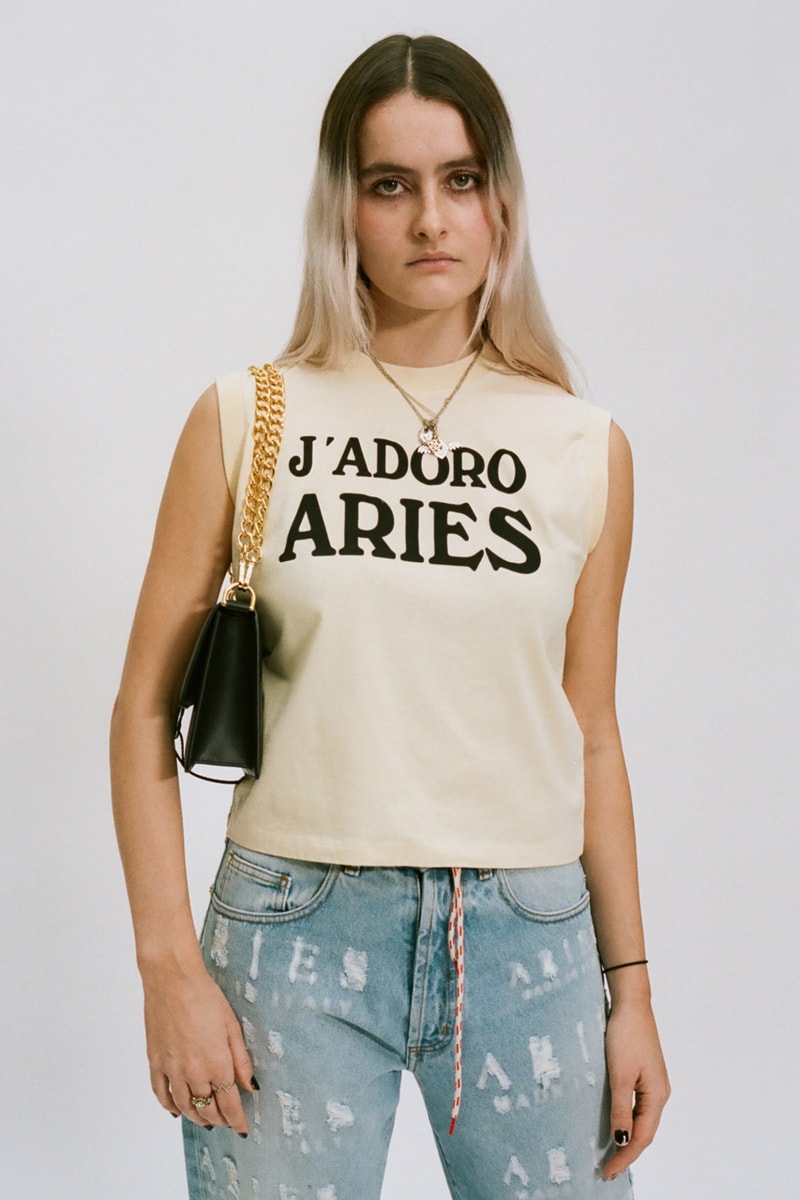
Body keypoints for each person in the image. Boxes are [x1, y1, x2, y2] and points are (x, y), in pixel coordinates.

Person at [111, 33, 669, 1200]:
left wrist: (631, 993)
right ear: (342, 207)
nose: (429, 220)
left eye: (460, 180)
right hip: (293, 925)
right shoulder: (247, 417)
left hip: (529, 934)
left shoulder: (582, 447)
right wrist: (167, 969)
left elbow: (590, 731)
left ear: (500, 201)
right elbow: (142, 711)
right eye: (389, 185)